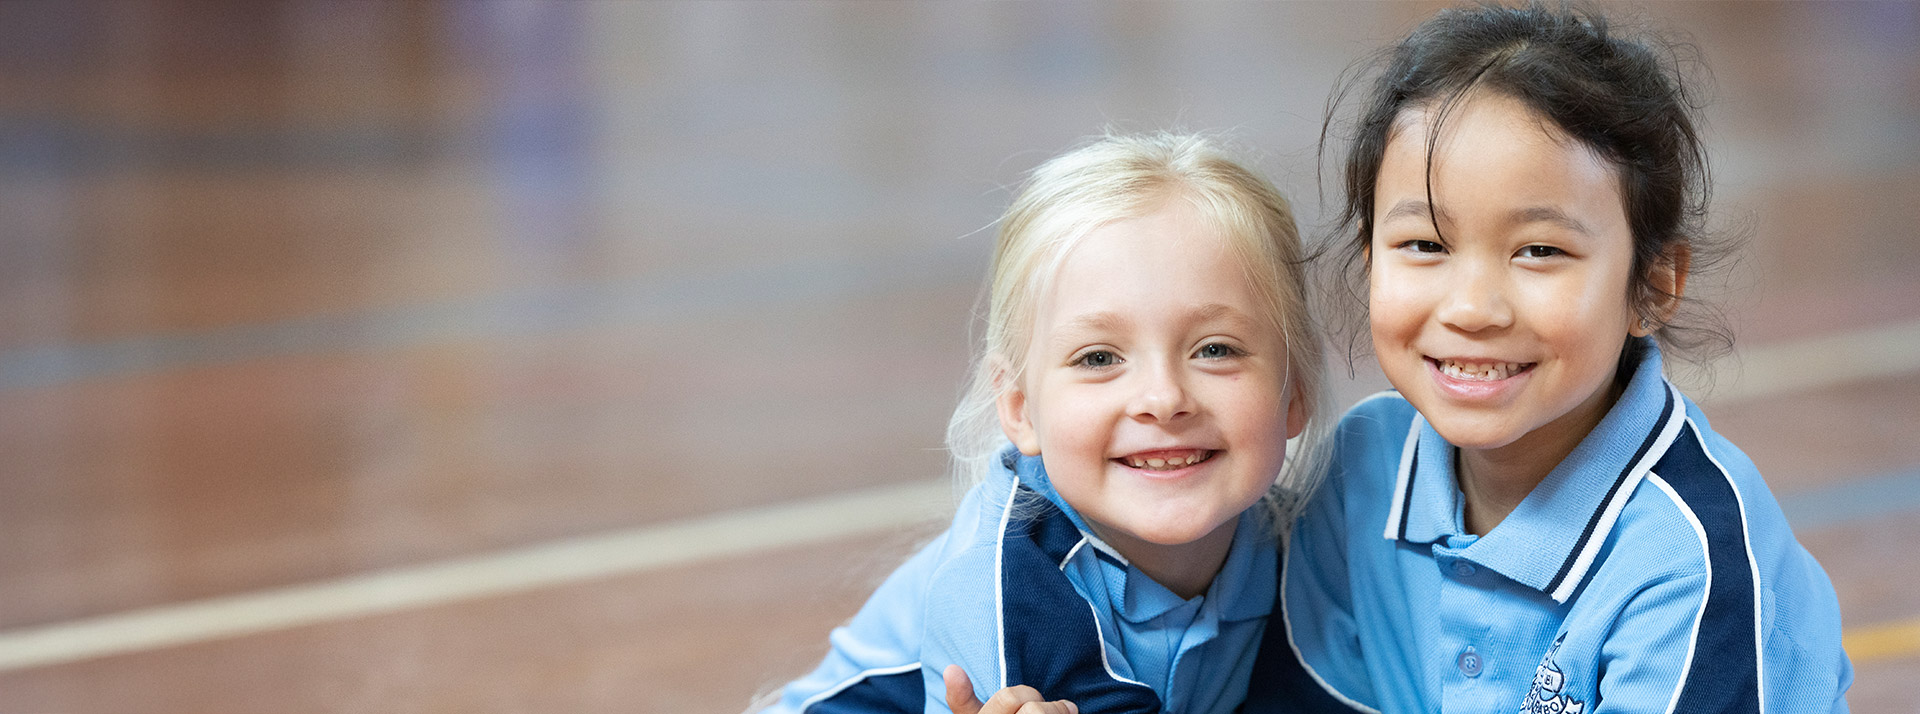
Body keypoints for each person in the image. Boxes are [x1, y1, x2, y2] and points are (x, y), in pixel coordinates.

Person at [1247, 2, 1853, 712]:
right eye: (1425, 244)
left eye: (1539, 250)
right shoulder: (1361, 469)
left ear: (1653, 285)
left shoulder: (1689, 561)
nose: (1472, 308)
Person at [755, 131, 1331, 714]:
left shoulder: (1315, 549)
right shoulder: (1009, 586)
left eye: (1215, 349)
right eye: (1099, 358)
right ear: (1019, 407)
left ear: (1297, 388)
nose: (1163, 398)